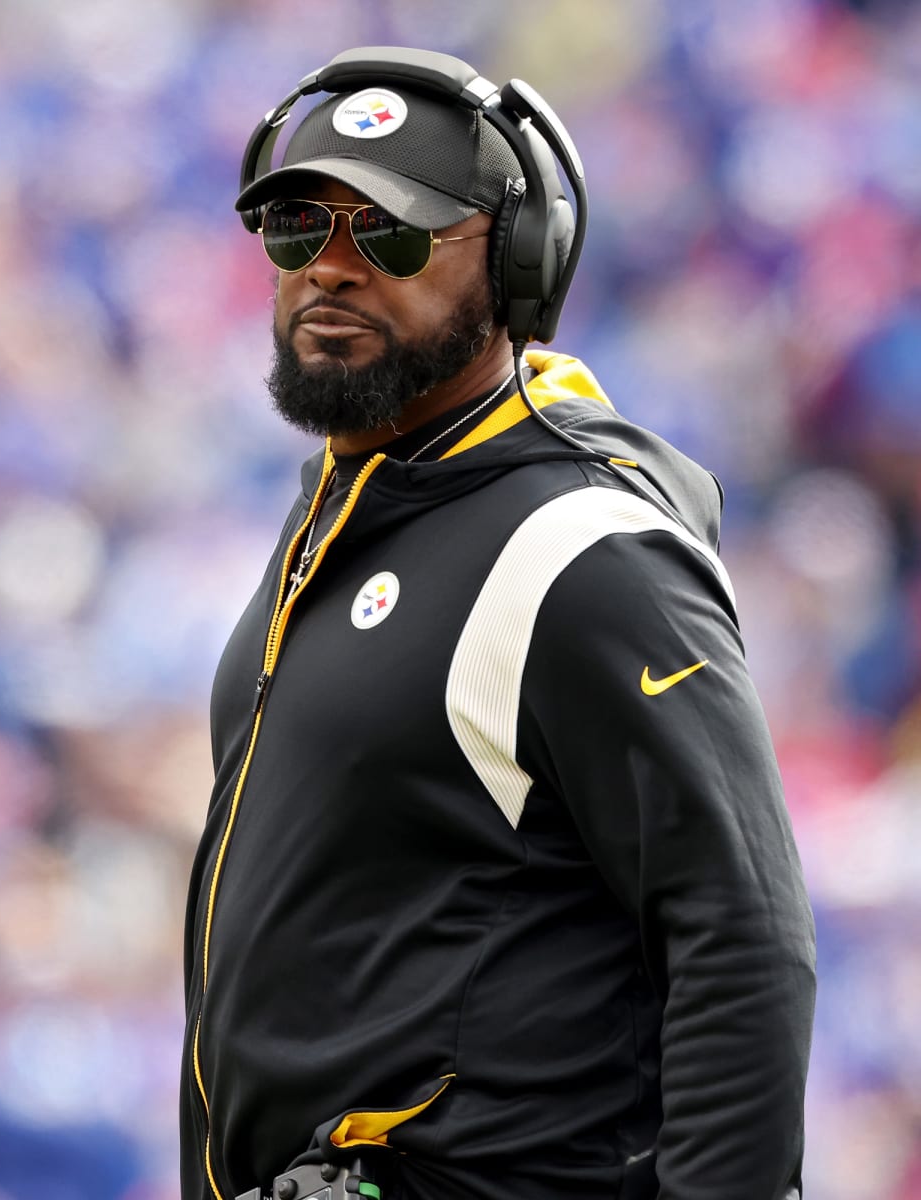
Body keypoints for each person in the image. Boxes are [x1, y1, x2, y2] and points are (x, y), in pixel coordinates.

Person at [180, 48, 816, 1200]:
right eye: (297, 231)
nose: (330, 270)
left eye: (392, 235)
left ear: (520, 266)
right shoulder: (350, 493)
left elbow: (745, 936)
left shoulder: (587, 552)